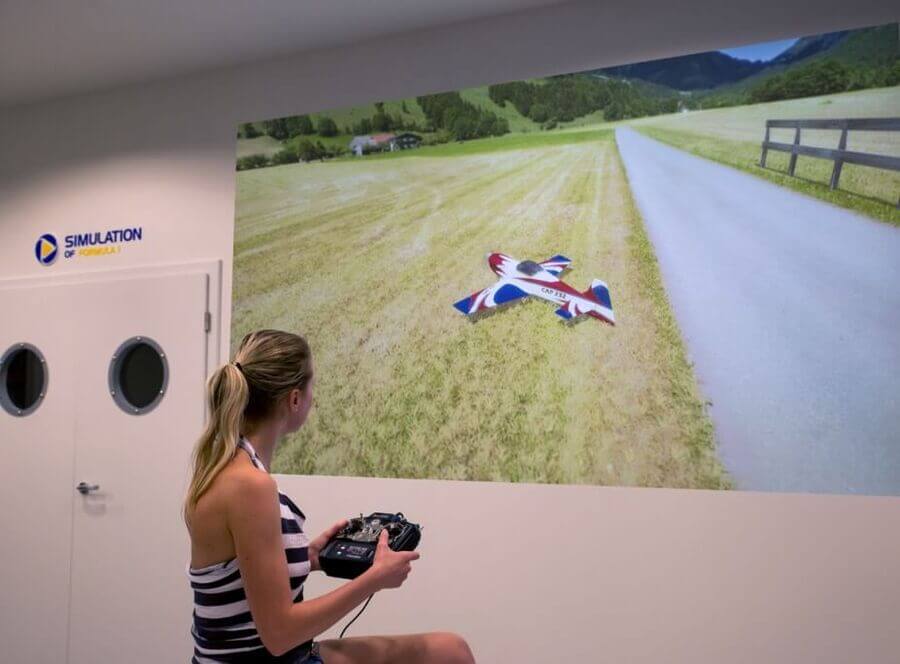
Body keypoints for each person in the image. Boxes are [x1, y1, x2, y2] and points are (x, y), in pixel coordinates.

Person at [183, 329, 475, 664]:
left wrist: (310, 557)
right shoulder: (251, 486)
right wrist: (374, 579)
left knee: (449, 650)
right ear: (294, 399)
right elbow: (279, 634)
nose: (313, 399)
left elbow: (242, 579)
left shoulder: (226, 467)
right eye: (311, 388)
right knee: (452, 654)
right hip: (275, 657)